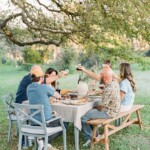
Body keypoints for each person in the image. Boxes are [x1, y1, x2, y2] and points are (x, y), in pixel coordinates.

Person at [77, 65, 121, 147]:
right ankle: (95, 134)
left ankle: (89, 139)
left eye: (100, 75)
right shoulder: (115, 81)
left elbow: (101, 107)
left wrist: (94, 107)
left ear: (104, 77)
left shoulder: (108, 89)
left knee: (83, 117)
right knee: (91, 110)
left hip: (109, 112)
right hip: (115, 109)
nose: (98, 76)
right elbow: (104, 76)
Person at [27, 67, 62, 150]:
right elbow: (58, 96)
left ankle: (40, 141)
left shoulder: (28, 88)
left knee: (53, 116)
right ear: (42, 78)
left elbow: (38, 95)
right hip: (46, 122)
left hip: (34, 122)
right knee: (64, 123)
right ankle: (44, 142)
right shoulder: (44, 87)